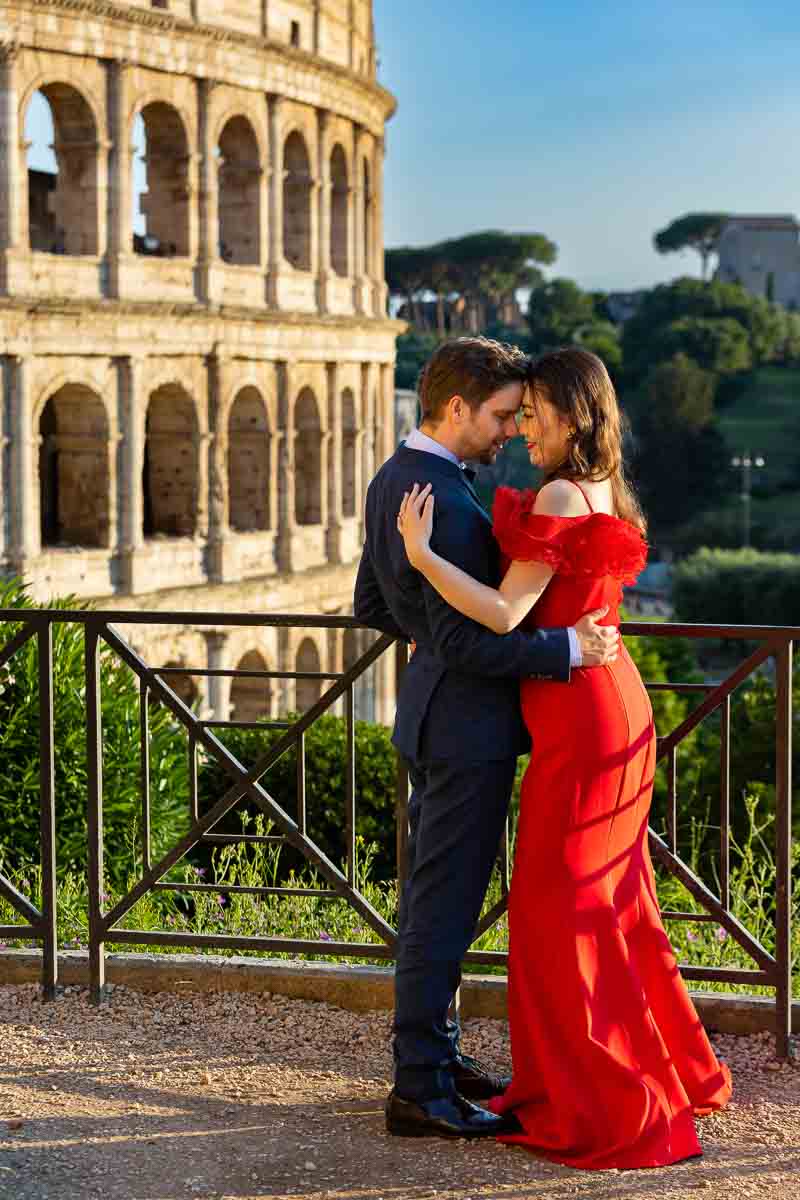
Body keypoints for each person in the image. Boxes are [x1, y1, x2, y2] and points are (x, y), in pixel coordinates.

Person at [397, 346, 732, 1169]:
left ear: (575, 414)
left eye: (535, 411)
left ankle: (605, 1093)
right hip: (618, 705)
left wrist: (424, 559)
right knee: (613, 901)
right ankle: (666, 1065)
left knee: (559, 913)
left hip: (582, 723)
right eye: (517, 412)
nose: (522, 430)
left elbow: (507, 614)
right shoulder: (605, 486)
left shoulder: (557, 491)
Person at [354, 337, 619, 1141]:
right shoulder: (437, 495)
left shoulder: (395, 476)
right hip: (464, 730)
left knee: (441, 903)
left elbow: (372, 601)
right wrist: (567, 649)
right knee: (441, 910)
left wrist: (430, 634)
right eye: (503, 415)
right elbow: (472, 637)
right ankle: (421, 1089)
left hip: (435, 719)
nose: (510, 430)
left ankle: (440, 1058)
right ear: (457, 408)